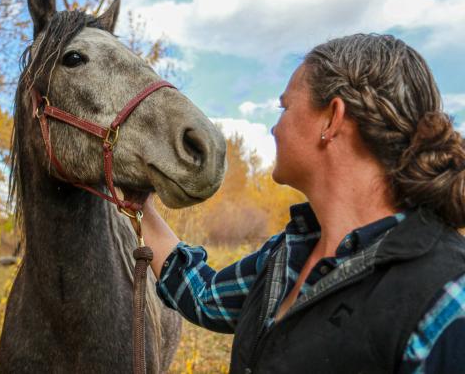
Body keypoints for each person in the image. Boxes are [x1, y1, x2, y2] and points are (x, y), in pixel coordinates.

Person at [141, 34, 465, 374]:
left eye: (285, 107)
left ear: (332, 119)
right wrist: (141, 206)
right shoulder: (288, 254)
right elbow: (204, 296)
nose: (274, 128)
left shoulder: (445, 301)